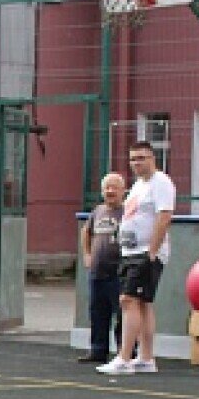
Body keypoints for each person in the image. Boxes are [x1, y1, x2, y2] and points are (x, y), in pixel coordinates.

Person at [98, 141, 176, 375]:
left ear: (153, 158)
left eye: (142, 158)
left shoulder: (161, 182)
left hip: (144, 253)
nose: (137, 163)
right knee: (142, 303)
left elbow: (164, 216)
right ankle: (146, 357)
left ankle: (124, 358)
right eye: (133, 159)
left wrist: (152, 251)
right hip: (130, 252)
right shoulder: (138, 186)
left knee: (128, 300)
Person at [78, 172, 126, 363]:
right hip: (97, 272)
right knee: (97, 313)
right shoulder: (97, 211)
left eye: (114, 187)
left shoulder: (127, 212)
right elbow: (86, 232)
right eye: (107, 188)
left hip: (119, 272)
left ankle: (125, 351)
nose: (110, 191)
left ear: (123, 191)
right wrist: (87, 254)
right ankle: (98, 350)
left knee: (122, 313)